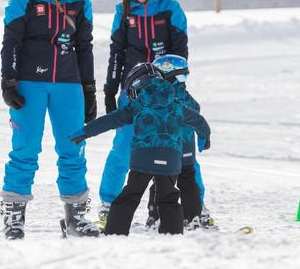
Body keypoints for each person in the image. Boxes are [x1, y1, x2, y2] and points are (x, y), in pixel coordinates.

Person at [0, 0, 100, 240]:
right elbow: (11, 43)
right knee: (25, 148)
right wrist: (9, 80)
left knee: (73, 148)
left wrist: (90, 89)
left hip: (68, 85)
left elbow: (85, 47)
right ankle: (14, 216)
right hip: (30, 83)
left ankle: (75, 218)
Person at [98, 0, 191, 223]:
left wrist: (176, 87)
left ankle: (189, 206)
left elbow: (181, 54)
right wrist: (110, 89)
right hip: (134, 92)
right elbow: (116, 53)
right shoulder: (124, 11)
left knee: (177, 145)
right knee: (124, 145)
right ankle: (108, 202)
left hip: (165, 93)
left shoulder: (170, 9)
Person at [70, 63, 211, 236]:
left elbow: (110, 120)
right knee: (169, 199)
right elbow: (199, 121)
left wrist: (85, 132)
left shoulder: (138, 105)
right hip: (171, 159)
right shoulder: (176, 105)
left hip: (144, 156)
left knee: (129, 196)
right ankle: (172, 236)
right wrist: (205, 137)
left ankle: (115, 234)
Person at [145, 54, 213, 230]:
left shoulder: (158, 94)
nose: (184, 80)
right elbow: (196, 110)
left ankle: (156, 216)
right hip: (185, 148)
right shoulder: (185, 96)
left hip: (167, 149)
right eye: (182, 76)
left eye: (185, 76)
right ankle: (192, 217)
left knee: (163, 182)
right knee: (188, 182)